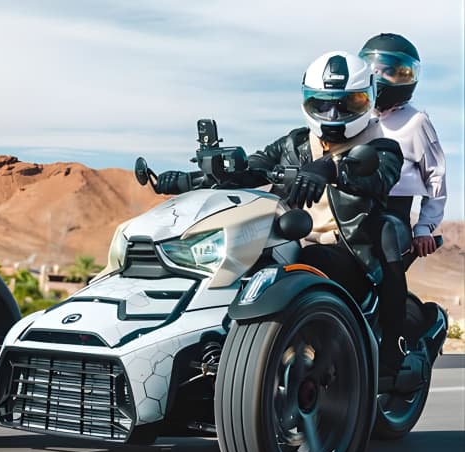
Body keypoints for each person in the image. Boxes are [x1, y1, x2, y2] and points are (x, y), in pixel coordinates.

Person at [155, 51, 428, 391]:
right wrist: (188, 179)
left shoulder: (384, 146)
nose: (333, 114)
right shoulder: (296, 143)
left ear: (368, 98)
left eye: (347, 104)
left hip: (352, 255)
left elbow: (378, 177)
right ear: (307, 101)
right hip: (288, 242)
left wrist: (329, 168)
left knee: (322, 255)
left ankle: (392, 353)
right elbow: (251, 169)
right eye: (322, 104)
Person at [358, 33, 447, 258]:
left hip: (392, 215)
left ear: (406, 76)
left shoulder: (416, 122)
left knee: (386, 266)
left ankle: (394, 294)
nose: (379, 76)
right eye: (373, 69)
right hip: (350, 213)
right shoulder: (357, 117)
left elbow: (436, 176)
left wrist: (424, 226)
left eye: (389, 71)